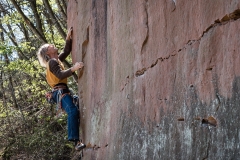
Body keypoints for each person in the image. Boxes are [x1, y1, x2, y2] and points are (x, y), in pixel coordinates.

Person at [37, 27, 86, 151]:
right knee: (73, 111)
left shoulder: (56, 60)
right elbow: (60, 75)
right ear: (48, 52)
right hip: (60, 92)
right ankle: (76, 142)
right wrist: (74, 68)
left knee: (76, 103)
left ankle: (77, 135)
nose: (52, 45)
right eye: (50, 46)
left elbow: (66, 51)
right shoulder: (52, 62)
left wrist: (68, 37)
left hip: (62, 91)